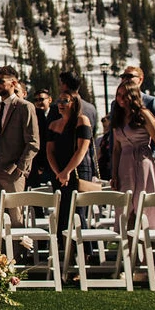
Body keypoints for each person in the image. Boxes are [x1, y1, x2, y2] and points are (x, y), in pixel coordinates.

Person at [110, 83, 155, 230]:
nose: (121, 99)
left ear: (133, 96)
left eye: (124, 95)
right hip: (124, 164)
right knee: (125, 208)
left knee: (144, 204)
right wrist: (114, 174)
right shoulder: (117, 116)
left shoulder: (144, 114)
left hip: (143, 161)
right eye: (118, 95)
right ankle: (127, 246)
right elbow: (116, 149)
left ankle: (147, 244)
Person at [0, 66, 40, 228]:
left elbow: (33, 142)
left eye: (1, 81)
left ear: (13, 83)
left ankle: (18, 254)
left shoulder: (24, 107)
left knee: (16, 219)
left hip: (13, 171)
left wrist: (20, 168)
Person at [46, 91, 93, 240]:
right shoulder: (53, 125)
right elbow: (49, 151)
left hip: (78, 171)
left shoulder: (82, 120)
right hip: (58, 173)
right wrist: (58, 172)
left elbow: (82, 149)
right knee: (62, 212)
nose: (60, 104)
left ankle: (83, 253)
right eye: (59, 101)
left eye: (65, 101)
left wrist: (67, 171)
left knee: (78, 213)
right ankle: (63, 251)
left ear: (74, 103)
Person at [26, 89, 54, 191]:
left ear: (49, 99)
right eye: (36, 100)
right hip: (39, 163)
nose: (39, 102)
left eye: (41, 99)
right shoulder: (34, 117)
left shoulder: (56, 114)